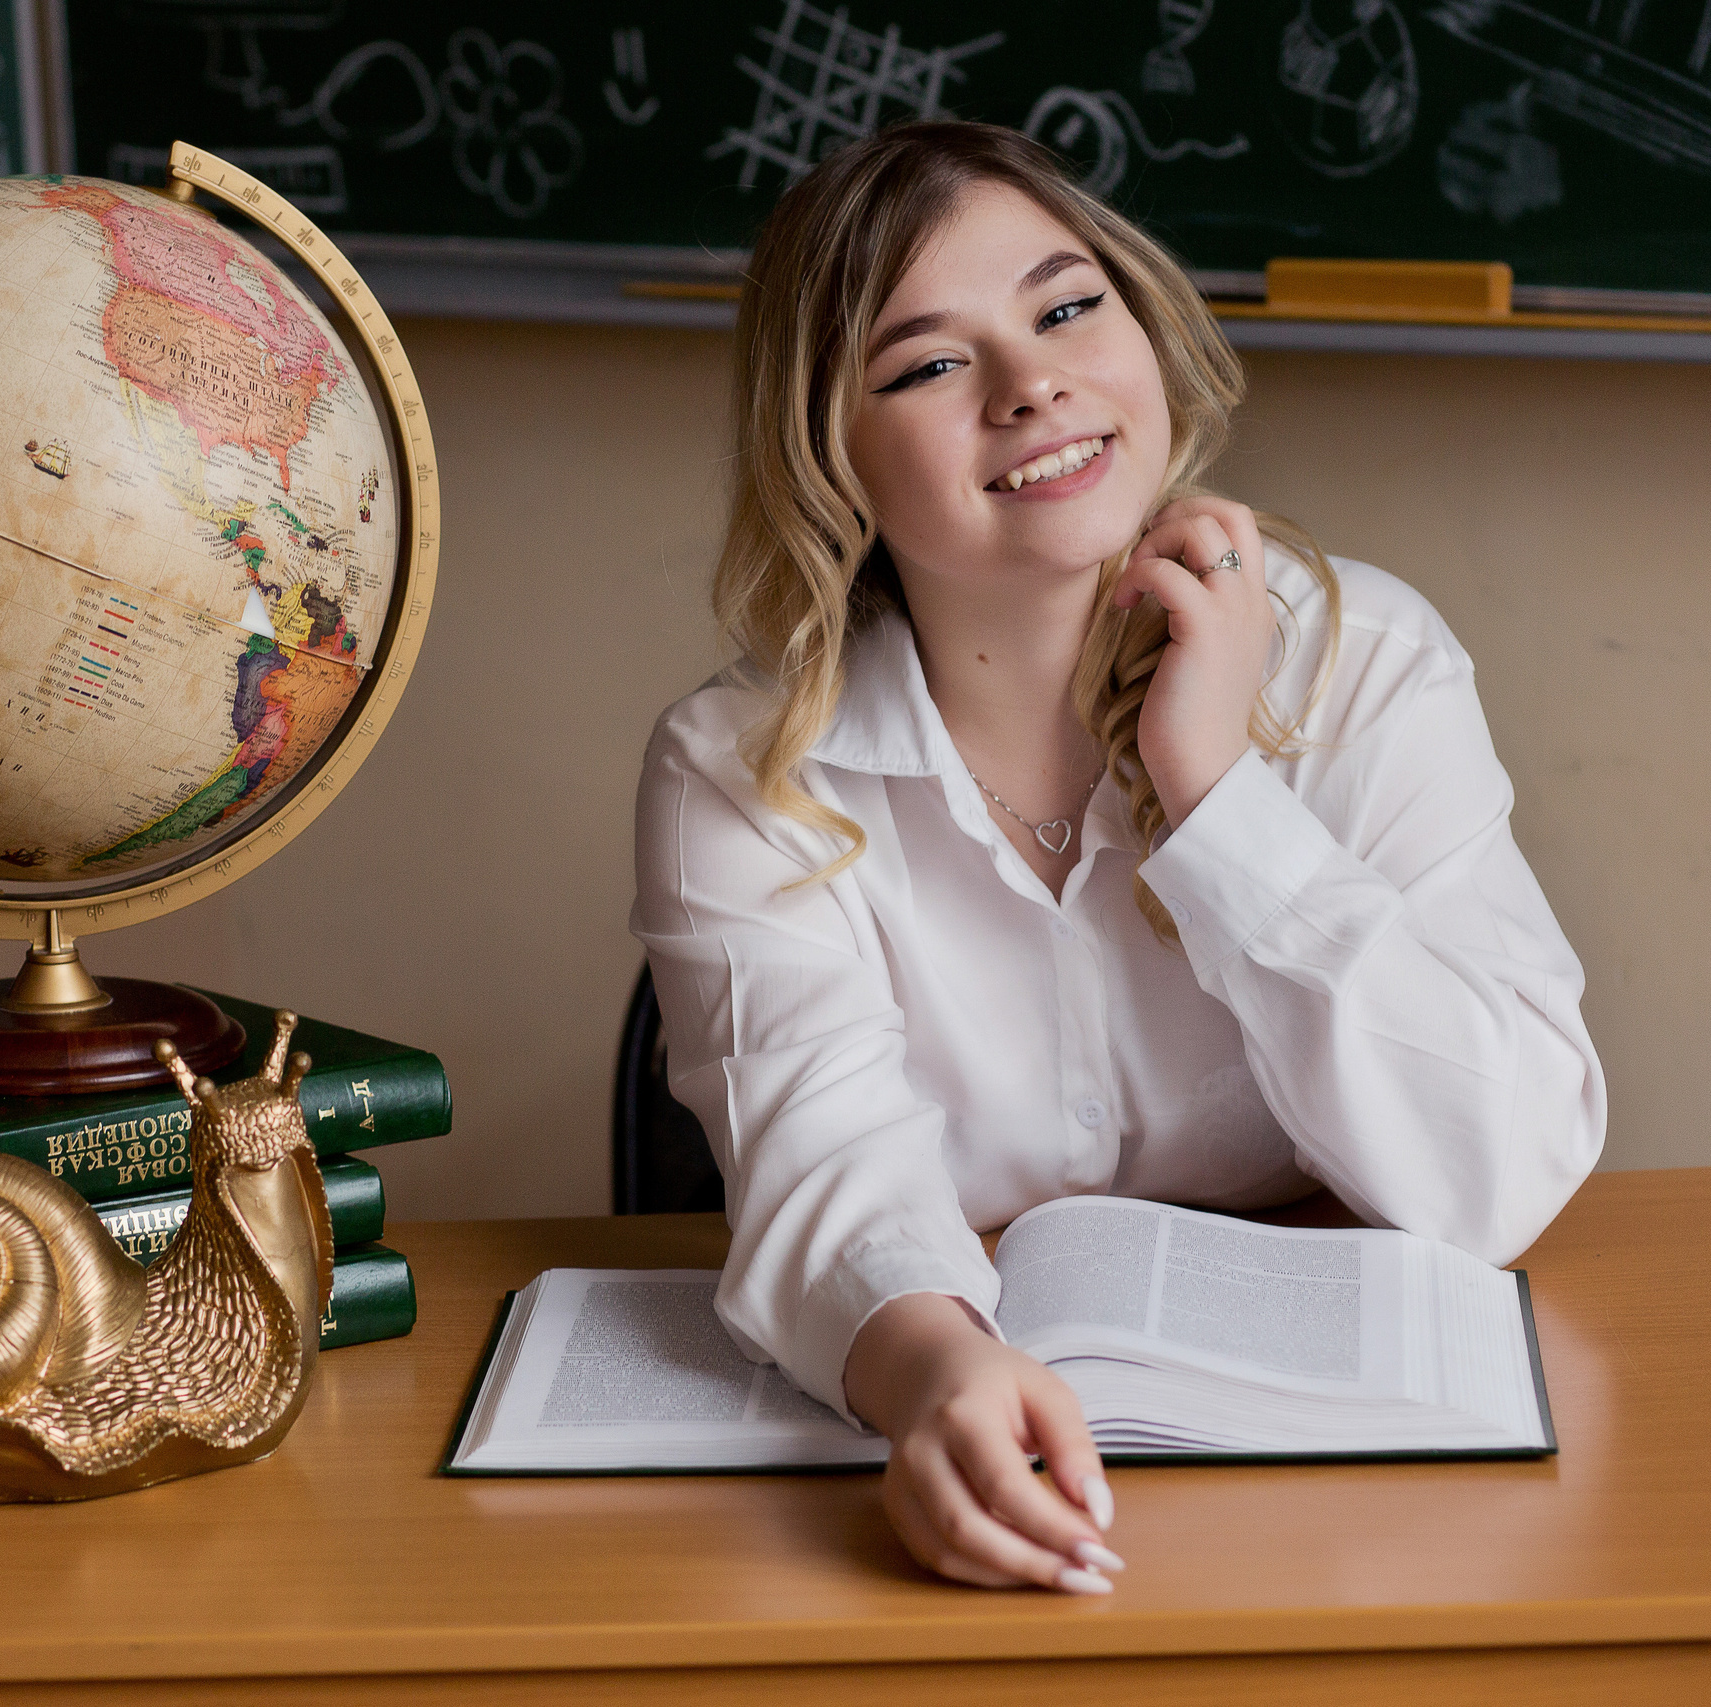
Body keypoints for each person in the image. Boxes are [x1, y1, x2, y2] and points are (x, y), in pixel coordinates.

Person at [629, 123, 1605, 1596]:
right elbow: (822, 1163)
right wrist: (929, 1372)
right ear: (831, 454)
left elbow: (1501, 1170)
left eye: (1066, 306)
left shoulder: (1368, 665)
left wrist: (1213, 795)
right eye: (926, 365)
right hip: (1018, 1476)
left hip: (1366, 1508)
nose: (1033, 386)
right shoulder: (740, 770)